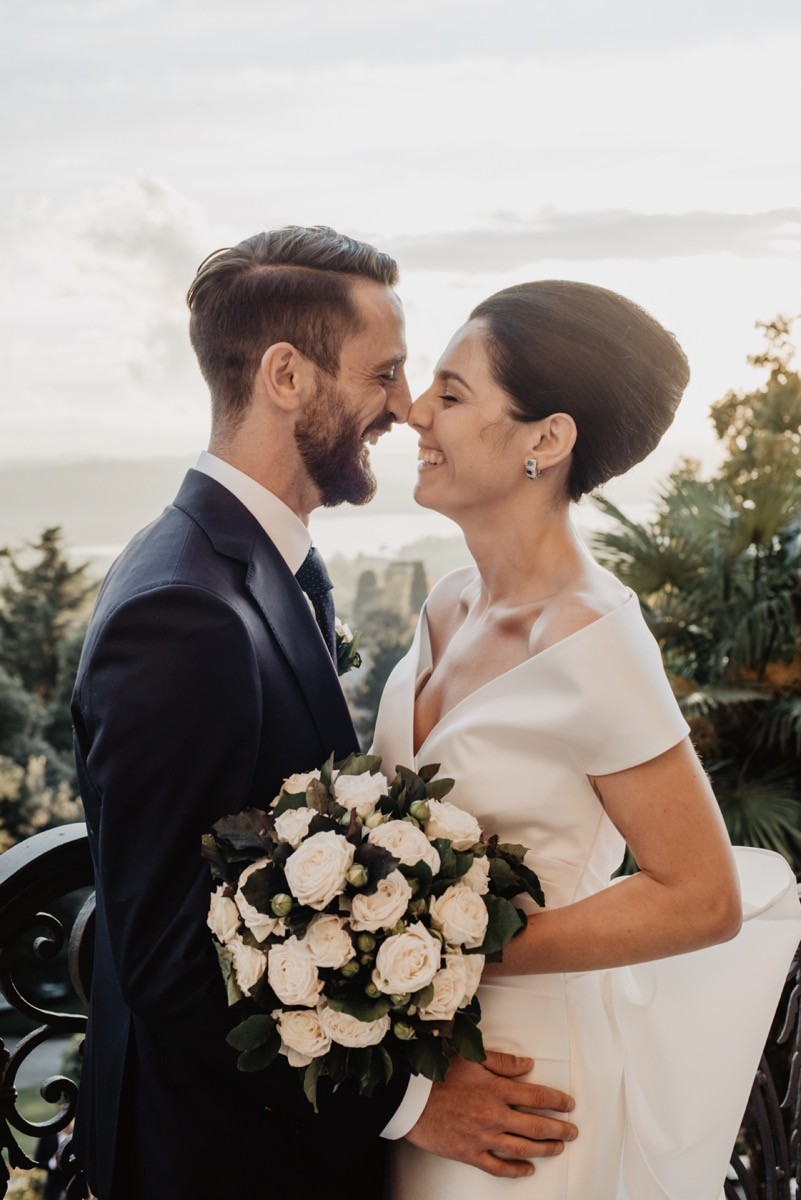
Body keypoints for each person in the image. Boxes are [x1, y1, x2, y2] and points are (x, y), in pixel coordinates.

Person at [70, 229, 577, 1200]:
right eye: (384, 372)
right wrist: (409, 1105)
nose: (406, 405)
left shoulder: (260, 562)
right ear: (287, 376)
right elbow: (172, 964)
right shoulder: (183, 612)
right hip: (219, 1164)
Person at [372, 279, 801, 1199]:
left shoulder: (588, 636)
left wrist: (456, 950)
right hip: (420, 1074)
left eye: (451, 394)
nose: (414, 412)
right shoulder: (448, 600)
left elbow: (699, 897)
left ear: (546, 440)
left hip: (521, 1096)